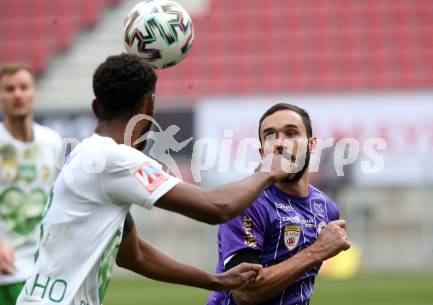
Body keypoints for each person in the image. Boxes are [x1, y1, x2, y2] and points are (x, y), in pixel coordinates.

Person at [16, 54, 296, 305]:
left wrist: (216, 280)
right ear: (149, 105)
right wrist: (269, 171)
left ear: (96, 107)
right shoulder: (114, 159)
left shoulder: (87, 155)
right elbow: (217, 207)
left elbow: (133, 254)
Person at [207, 103, 351, 305]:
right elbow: (246, 293)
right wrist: (317, 251)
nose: (280, 143)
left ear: (311, 145)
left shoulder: (326, 208)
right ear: (261, 151)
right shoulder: (246, 203)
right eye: (270, 136)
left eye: (291, 133)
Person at [0, 63, 62, 305]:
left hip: (42, 268)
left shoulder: (52, 141)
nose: (17, 94)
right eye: (9, 88)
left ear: (34, 93)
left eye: (23, 87)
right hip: (7, 270)